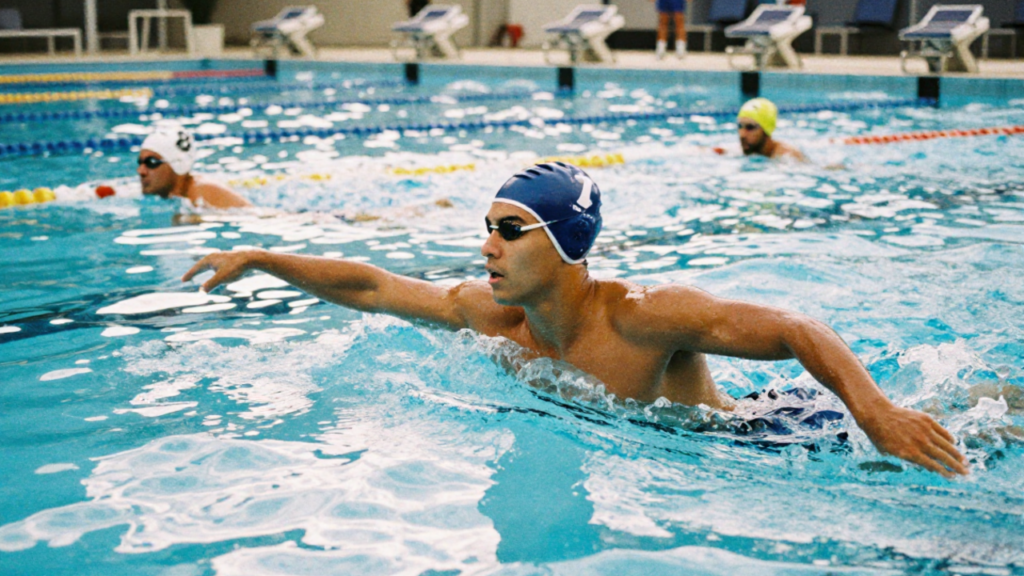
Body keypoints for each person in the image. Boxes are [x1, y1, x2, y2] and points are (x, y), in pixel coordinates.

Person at [182, 162, 968, 478]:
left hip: (774, 433)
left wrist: (875, 415)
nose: (486, 245)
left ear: (566, 245)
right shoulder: (489, 316)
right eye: (488, 226)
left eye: (509, 230)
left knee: (975, 428)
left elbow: (798, 328)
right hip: (677, 447)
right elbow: (372, 286)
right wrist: (259, 257)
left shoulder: (642, 318)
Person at [138, 129, 252, 209]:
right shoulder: (177, 195)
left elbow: (258, 216)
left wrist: (202, 218)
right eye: (140, 162)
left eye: (151, 162)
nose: (140, 171)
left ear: (177, 164)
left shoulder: (203, 191)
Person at [736, 98, 807, 161]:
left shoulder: (788, 158)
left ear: (766, 129)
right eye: (740, 126)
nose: (742, 134)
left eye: (750, 127)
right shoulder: (748, 149)